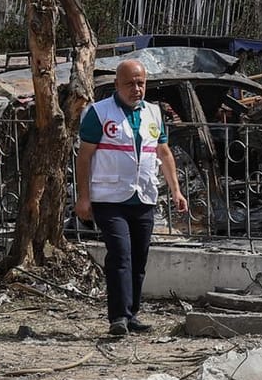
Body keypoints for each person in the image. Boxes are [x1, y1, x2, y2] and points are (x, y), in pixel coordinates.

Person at [75, 58, 189, 337]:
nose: (136, 89)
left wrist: (175, 190)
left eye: (141, 83)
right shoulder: (98, 113)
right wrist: (83, 197)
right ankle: (118, 317)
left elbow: (164, 153)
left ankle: (132, 312)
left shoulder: (153, 113)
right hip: (109, 197)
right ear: (117, 85)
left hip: (144, 196)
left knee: (139, 258)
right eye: (130, 84)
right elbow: (84, 157)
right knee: (120, 254)